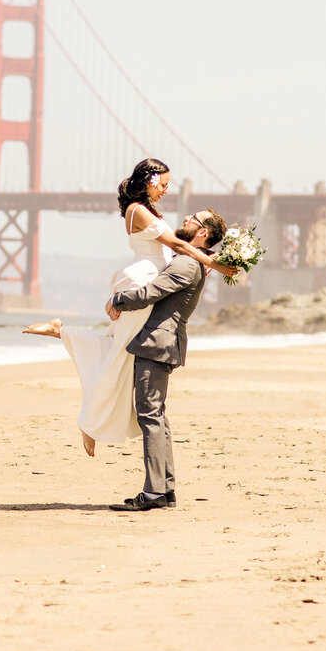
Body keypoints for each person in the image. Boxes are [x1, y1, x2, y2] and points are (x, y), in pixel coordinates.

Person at [23, 158, 235, 457]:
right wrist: (216, 263)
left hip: (147, 281)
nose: (165, 190)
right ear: (148, 181)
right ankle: (89, 421)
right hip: (141, 283)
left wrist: (208, 262)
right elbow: (177, 246)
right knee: (118, 357)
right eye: (162, 185)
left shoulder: (149, 211)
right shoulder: (137, 210)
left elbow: (178, 250)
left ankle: (61, 332)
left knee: (116, 349)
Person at [106, 207, 227, 511]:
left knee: (150, 416)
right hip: (163, 342)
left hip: (157, 343)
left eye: (192, 219)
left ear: (203, 233)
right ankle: (164, 489)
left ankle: (155, 492)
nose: (185, 219)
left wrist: (116, 300)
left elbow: (151, 293)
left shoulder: (187, 263)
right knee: (156, 415)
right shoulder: (191, 261)